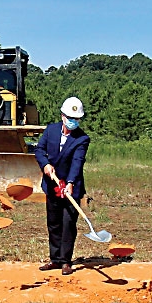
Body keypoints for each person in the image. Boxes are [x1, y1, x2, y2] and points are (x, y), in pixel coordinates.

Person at [34, 96, 91, 276]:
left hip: (71, 187)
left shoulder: (82, 139)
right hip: (52, 185)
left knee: (68, 223)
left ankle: (66, 260)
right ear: (63, 116)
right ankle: (55, 259)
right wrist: (45, 165)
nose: (74, 121)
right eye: (70, 118)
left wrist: (71, 182)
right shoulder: (50, 130)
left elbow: (77, 161)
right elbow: (39, 150)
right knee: (54, 223)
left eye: (77, 119)